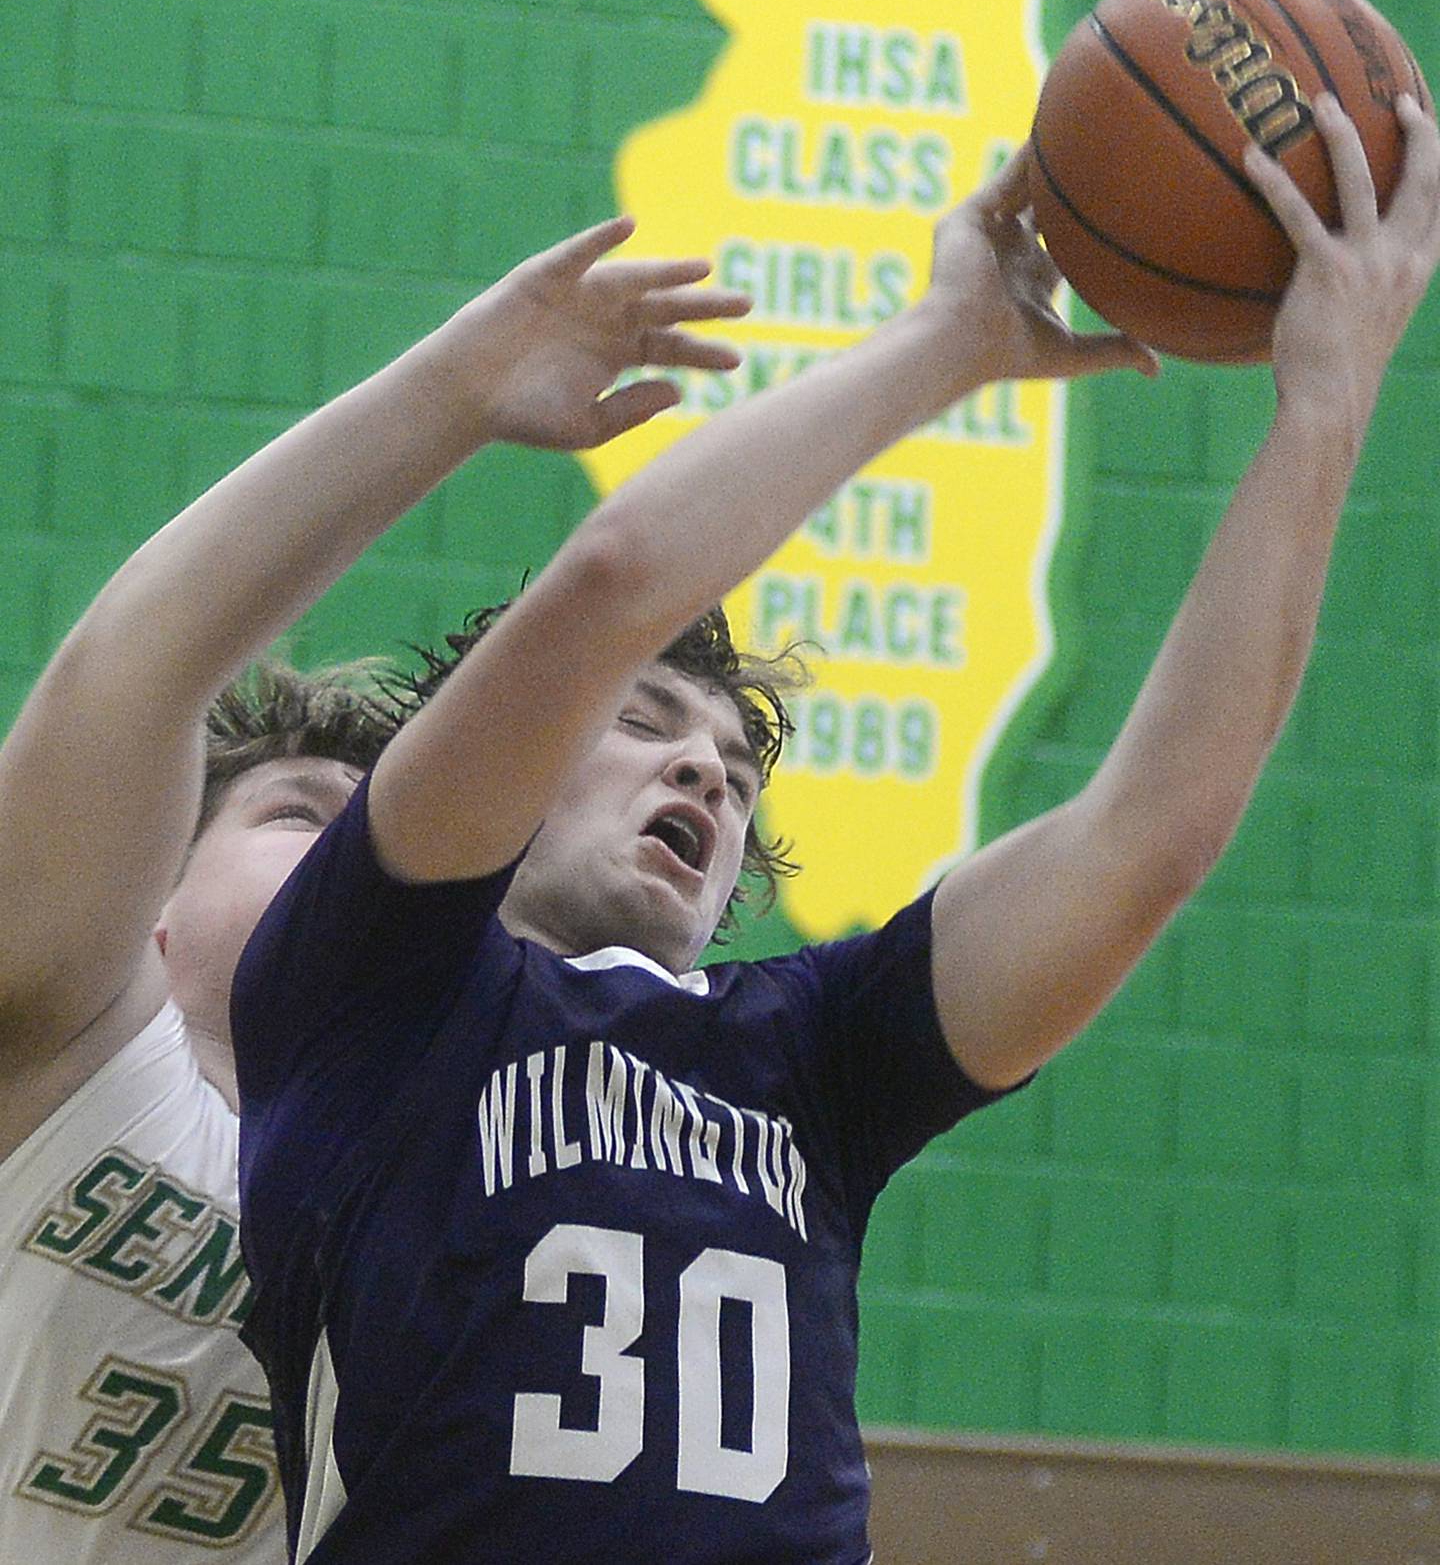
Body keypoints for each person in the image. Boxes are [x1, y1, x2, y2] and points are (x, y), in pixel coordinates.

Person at [232, 95, 1440, 1565]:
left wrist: (1326, 405)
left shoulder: (810, 1058)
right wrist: (950, 346)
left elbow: (1151, 834)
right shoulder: (370, 983)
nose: (704, 779)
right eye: (643, 725)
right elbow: (610, 579)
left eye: (735, 775)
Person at [0, 218, 749, 1563]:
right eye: (301, 817)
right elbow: (141, 663)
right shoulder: (86, 1053)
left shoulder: (511, 1188)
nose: (347, 870)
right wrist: (457, 396)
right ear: (154, 895)